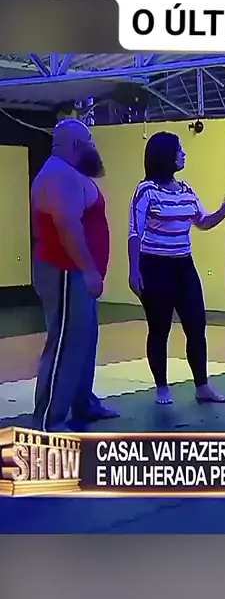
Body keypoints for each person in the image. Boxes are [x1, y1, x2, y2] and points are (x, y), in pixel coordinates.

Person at [128, 131, 225, 405]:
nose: (184, 154)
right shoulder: (146, 190)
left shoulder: (186, 189)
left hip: (184, 266)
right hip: (155, 266)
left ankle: (202, 386)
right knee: (159, 328)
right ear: (165, 155)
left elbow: (202, 221)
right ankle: (162, 387)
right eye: (179, 150)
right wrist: (134, 271)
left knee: (196, 324)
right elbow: (134, 233)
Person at [31, 118, 119, 432]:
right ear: (78, 145)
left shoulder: (69, 173)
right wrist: (89, 270)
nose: (94, 146)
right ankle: (49, 421)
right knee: (65, 344)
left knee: (84, 340)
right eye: (90, 141)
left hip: (75, 274)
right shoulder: (58, 175)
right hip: (66, 271)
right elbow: (67, 225)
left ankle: (83, 403)